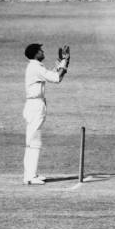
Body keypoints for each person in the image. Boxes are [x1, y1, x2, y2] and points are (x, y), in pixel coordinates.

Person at [22, 44, 70, 185]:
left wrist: (62, 62)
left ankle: (31, 174)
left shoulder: (36, 66)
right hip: (35, 106)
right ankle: (30, 177)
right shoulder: (36, 67)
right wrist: (65, 61)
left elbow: (52, 74)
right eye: (41, 50)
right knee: (34, 142)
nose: (43, 52)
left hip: (34, 105)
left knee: (32, 142)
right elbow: (56, 78)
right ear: (36, 53)